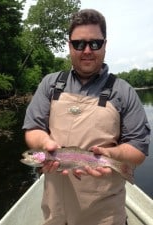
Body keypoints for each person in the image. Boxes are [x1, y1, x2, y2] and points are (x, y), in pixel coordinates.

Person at [23, 9, 150, 225]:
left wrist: (112, 153)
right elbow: (33, 128)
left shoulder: (123, 91)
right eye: (80, 44)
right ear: (69, 45)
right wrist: (45, 142)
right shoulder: (50, 84)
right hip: (56, 212)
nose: (87, 50)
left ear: (105, 44)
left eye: (95, 43)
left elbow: (139, 149)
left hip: (105, 215)